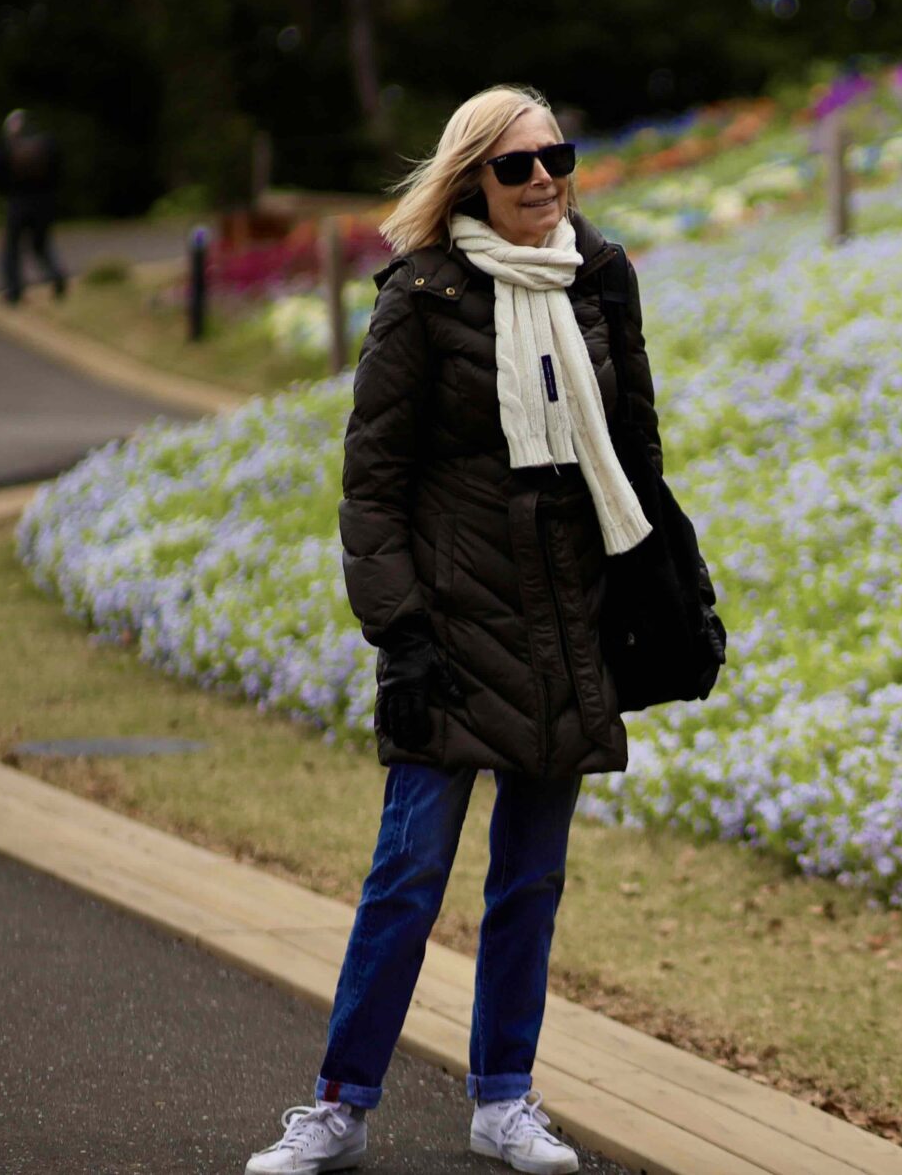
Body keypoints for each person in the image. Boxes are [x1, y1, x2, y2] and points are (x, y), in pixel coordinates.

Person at [247, 84, 670, 1175]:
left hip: (568, 621)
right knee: (408, 875)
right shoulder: (422, 296)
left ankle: (504, 1099)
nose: (543, 181)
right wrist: (402, 631)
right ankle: (338, 1105)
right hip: (451, 623)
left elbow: (637, 453)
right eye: (516, 166)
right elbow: (372, 484)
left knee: (530, 878)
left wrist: (667, 592)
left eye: (556, 157)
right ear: (471, 178)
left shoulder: (601, 278)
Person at [0, 109, 66, 304]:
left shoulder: (8, 147)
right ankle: (55, 275)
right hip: (44, 202)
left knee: (12, 250)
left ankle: (14, 291)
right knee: (41, 245)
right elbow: (58, 171)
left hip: (18, 203)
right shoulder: (46, 144)